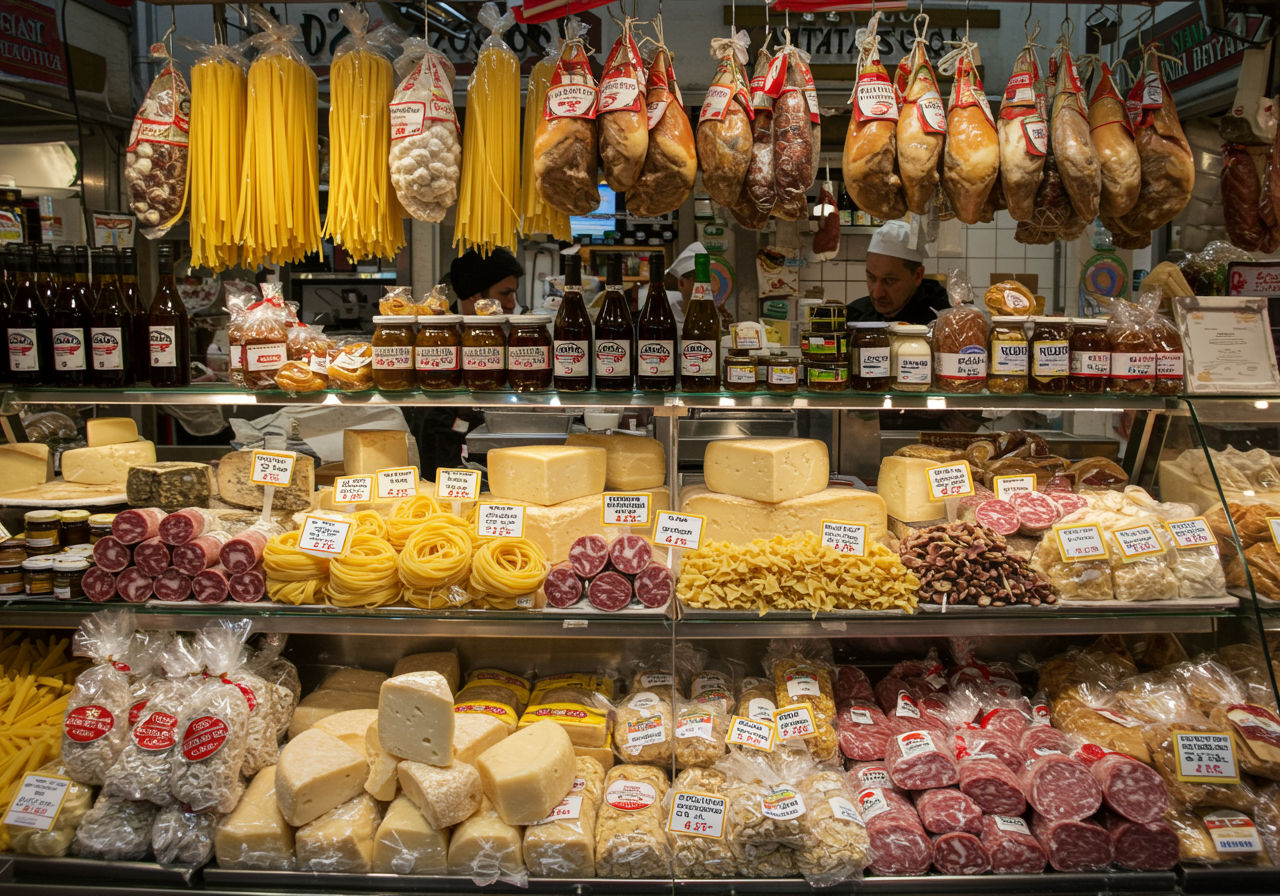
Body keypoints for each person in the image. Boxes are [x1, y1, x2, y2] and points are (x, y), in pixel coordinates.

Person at [846, 219, 949, 325]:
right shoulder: (855, 316)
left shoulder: (943, 319)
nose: (877, 294)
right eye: (872, 278)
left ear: (918, 276)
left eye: (889, 280)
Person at [449, 247, 524, 314]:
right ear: (473, 295)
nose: (512, 305)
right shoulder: (442, 327)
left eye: (513, 294)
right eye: (505, 293)